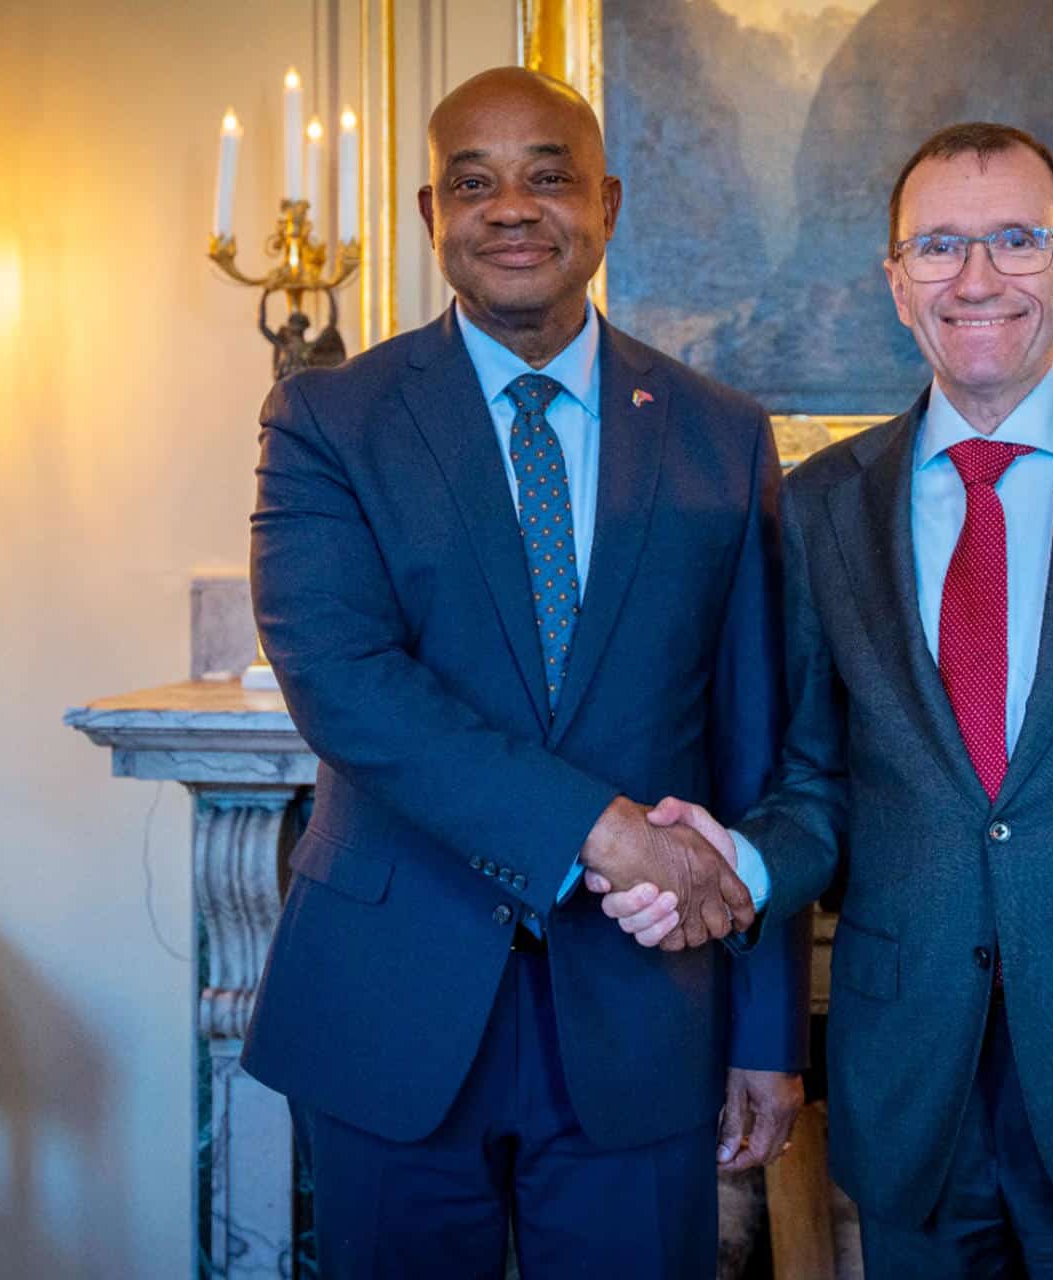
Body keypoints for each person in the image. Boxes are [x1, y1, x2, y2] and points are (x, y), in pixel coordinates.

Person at [600, 122, 1053, 1279]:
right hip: (915, 1098)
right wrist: (736, 864)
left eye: (1015, 238)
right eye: (940, 246)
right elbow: (816, 783)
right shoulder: (824, 503)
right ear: (898, 285)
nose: (979, 276)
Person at [243, 66, 810, 1278]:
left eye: (547, 176)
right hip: (389, 999)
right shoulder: (327, 418)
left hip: (646, 1017)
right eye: (473, 182)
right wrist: (600, 830)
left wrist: (766, 1027)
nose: (512, 207)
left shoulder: (720, 430)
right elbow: (348, 686)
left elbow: (756, 744)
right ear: (426, 214)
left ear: (605, 203)